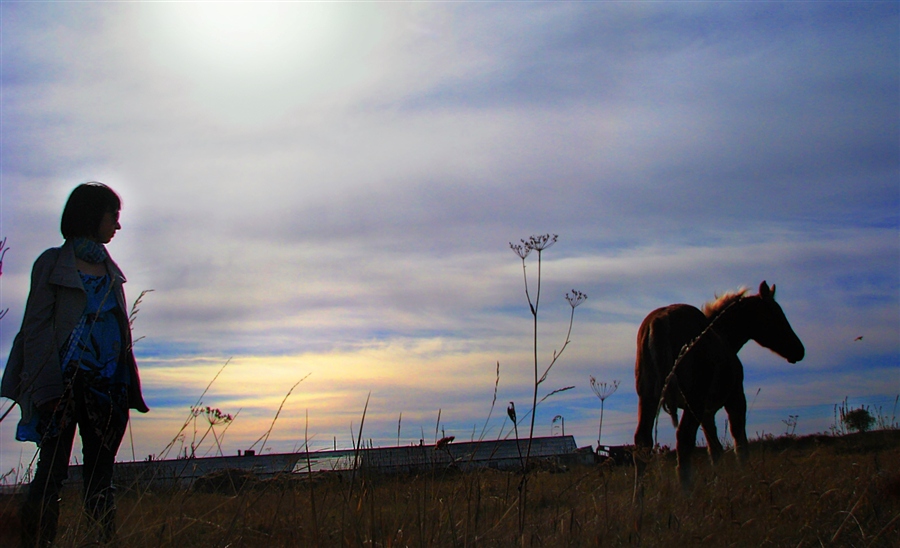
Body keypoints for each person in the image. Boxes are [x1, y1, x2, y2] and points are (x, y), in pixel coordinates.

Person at [1, 182, 149, 546]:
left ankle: (101, 541)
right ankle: (37, 542)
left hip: (108, 389)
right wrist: (46, 388)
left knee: (101, 478)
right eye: (113, 216)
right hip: (63, 387)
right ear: (91, 215)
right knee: (51, 475)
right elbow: (35, 329)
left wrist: (126, 385)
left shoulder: (111, 270)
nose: (117, 225)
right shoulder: (52, 263)